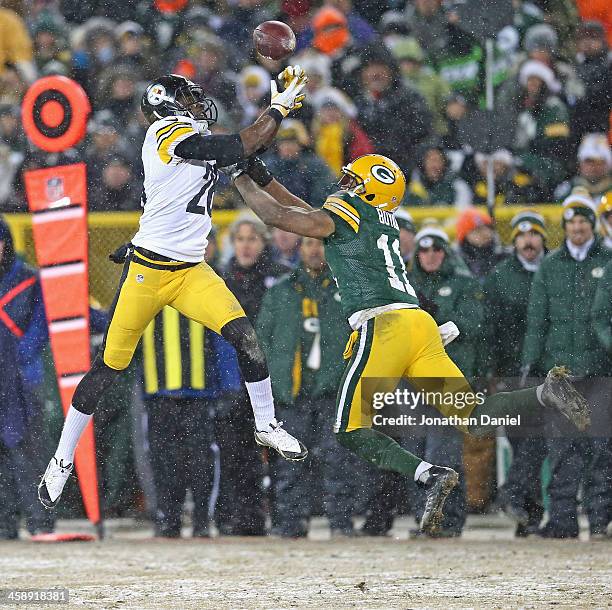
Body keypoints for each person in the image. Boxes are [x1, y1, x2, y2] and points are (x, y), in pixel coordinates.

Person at [226, 152, 590, 533]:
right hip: (420, 324)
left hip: (384, 325)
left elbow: (279, 217)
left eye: (354, 181)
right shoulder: (377, 217)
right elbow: (303, 214)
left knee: (349, 430)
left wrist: (240, 177)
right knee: (474, 417)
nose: (346, 185)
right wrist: (264, 177)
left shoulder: (350, 211)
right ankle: (544, 394)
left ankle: (428, 474)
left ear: (368, 190)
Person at [38, 69, 309, 509]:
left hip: (189, 271)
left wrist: (317, 211)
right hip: (147, 273)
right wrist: (277, 107)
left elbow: (260, 175)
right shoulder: (165, 133)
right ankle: (61, 460)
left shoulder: (195, 139)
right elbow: (240, 144)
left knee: (246, 338)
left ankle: (267, 424)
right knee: (108, 368)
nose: (199, 103)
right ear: (168, 104)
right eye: (188, 97)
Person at [521, 193, 612, 539]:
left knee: (602, 449)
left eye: (583, 222)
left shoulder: (608, 260)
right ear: (565, 227)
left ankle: (601, 519)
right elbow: (537, 320)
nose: (578, 227)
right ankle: (562, 520)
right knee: (562, 449)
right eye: (572, 222)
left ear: (593, 226)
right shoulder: (550, 265)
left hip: (600, 368)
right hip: (559, 369)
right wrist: (530, 361)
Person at [257, 237, 356, 538]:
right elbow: (264, 340)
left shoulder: (347, 289)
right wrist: (274, 383)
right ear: (299, 249)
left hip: (333, 391)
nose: (315, 250)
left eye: (321, 244)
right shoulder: (281, 292)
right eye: (309, 244)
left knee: (337, 459)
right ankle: (291, 523)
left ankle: (341, 523)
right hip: (292, 393)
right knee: (290, 463)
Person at [405, 227, 486, 537]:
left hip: (450, 379)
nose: (430, 255)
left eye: (436, 249)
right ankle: (424, 519)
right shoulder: (407, 286)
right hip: (414, 381)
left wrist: (445, 322)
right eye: (424, 250)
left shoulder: (463, 284)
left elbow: (475, 322)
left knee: (444, 452)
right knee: (415, 453)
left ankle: (447, 519)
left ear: (446, 252)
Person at [484, 211, 549, 536]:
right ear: (514, 242)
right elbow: (491, 329)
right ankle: (528, 516)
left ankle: (514, 495)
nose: (529, 240)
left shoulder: (553, 272)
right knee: (524, 442)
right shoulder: (500, 277)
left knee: (540, 441)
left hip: (548, 372)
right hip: (512, 374)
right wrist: (493, 372)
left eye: (535, 234)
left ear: (544, 239)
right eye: (522, 235)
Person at [0, 219, 53, 539]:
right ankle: (4, 525)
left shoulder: (29, 279)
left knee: (28, 451)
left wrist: (13, 358)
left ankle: (40, 522)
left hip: (23, 377)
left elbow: (40, 326)